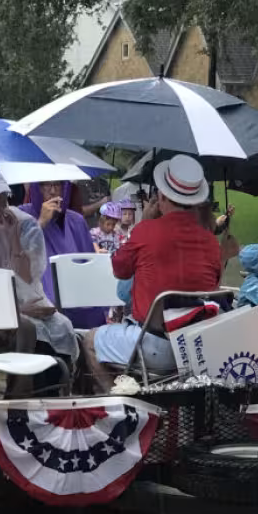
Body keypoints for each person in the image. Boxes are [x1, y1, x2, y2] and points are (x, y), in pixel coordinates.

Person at [83, 156, 223, 390]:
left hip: (156, 346)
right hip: (198, 346)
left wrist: (144, 223)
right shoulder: (210, 241)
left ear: (162, 197)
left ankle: (118, 405)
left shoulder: (146, 230)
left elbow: (120, 269)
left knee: (90, 340)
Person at [0, 169, 77, 389]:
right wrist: (17, 309)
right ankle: (23, 395)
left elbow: (28, 275)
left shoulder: (21, 222)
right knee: (33, 330)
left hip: (24, 296)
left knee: (61, 326)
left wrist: (13, 236)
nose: (1, 204)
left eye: (3, 197)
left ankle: (54, 392)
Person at [22, 180, 108, 328]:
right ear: (37, 188)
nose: (53, 191)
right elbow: (19, 252)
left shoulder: (76, 220)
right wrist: (41, 222)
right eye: (46, 185)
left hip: (76, 293)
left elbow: (88, 264)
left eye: (58, 185)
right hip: (39, 293)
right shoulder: (22, 215)